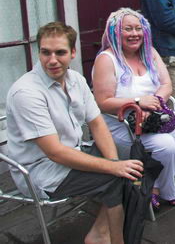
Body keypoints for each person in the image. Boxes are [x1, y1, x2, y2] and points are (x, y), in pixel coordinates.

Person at [6, 22, 144, 244]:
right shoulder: (27, 93)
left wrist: (114, 162)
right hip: (41, 173)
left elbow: (97, 124)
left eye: (60, 52)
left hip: (72, 153)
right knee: (117, 178)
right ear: (38, 52)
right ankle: (113, 239)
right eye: (45, 52)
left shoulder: (75, 80)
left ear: (72, 53)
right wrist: (113, 167)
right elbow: (55, 153)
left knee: (130, 160)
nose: (52, 60)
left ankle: (100, 234)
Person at [92, 8, 175, 210]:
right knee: (166, 147)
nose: (134, 34)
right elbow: (102, 102)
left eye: (138, 28)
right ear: (115, 32)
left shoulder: (150, 52)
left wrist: (155, 102)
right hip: (121, 124)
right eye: (127, 29)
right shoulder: (106, 60)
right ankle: (169, 190)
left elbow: (166, 84)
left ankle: (152, 185)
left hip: (153, 117)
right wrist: (138, 101)